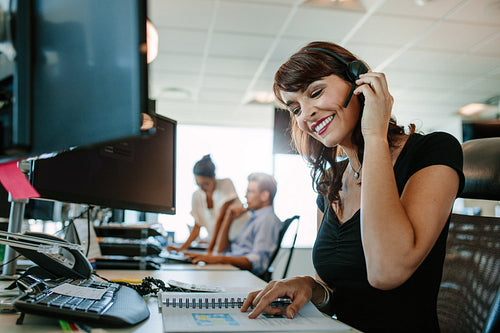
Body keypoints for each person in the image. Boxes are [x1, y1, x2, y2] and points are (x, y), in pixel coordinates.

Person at [241, 41, 464, 333]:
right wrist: (310, 286)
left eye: (316, 92)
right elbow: (337, 297)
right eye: (294, 108)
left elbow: (386, 271)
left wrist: (375, 135)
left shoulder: (434, 150)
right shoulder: (329, 182)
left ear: (358, 81)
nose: (305, 115)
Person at [186, 172, 282, 277]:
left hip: (243, 277)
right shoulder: (254, 218)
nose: (245, 196)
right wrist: (229, 218)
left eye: (250, 192)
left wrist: (219, 259)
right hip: (233, 272)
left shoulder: (267, 220)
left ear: (264, 196)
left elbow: (257, 262)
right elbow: (222, 251)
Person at [167, 155, 250, 253]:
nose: (203, 188)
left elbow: (221, 220)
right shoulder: (197, 196)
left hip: (242, 239)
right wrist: (181, 248)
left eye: (206, 184)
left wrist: (210, 251)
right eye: (199, 184)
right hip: (222, 245)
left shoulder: (226, 184)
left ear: (214, 177)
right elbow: (197, 226)